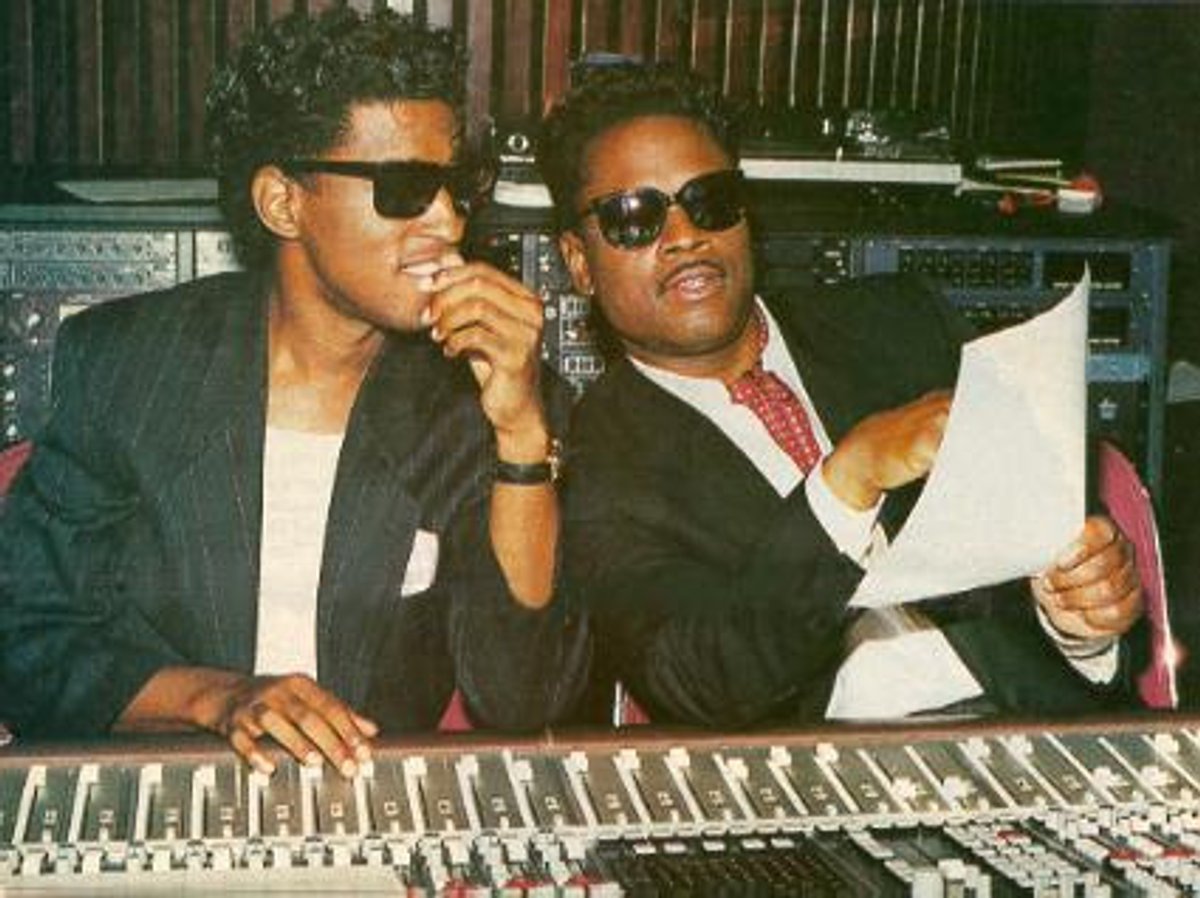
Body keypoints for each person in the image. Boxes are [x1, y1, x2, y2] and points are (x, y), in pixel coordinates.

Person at [0, 7, 584, 773]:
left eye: (457, 186)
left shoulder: (484, 394)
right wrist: (219, 698)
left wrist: (520, 437)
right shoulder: (129, 366)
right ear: (283, 202)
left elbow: (525, 696)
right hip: (172, 785)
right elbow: (28, 636)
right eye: (406, 187)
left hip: (372, 799)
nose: (446, 221)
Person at [538, 62, 1144, 727]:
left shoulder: (902, 323)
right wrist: (846, 482)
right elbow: (698, 679)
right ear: (578, 262)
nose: (685, 236)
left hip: (1028, 732)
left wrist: (1082, 623)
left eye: (709, 199)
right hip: (821, 769)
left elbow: (1061, 548)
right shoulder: (598, 456)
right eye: (634, 217)